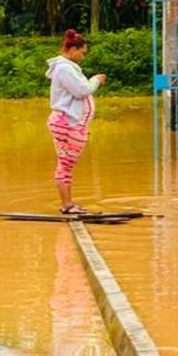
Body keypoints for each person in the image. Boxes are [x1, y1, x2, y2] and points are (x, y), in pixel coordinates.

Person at [45, 29, 106, 216]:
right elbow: (81, 90)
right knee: (65, 164)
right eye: (82, 52)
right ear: (73, 49)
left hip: (72, 124)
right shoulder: (64, 68)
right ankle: (67, 205)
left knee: (67, 164)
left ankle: (69, 203)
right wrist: (96, 80)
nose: (83, 56)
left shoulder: (67, 68)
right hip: (67, 123)